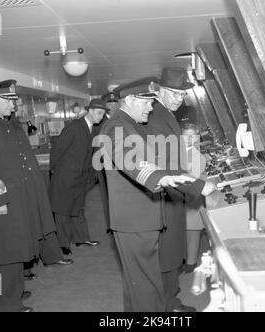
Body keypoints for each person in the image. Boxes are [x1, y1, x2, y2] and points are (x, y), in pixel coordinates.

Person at [96, 78, 207, 312]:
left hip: (143, 217)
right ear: (130, 100)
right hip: (134, 220)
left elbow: (156, 158)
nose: (150, 108)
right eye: (147, 102)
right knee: (146, 288)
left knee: (141, 286)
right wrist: (159, 178)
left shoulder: (133, 124)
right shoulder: (117, 126)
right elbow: (129, 156)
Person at [145, 67, 216, 312]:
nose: (179, 99)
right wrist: (199, 185)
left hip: (171, 194)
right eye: (173, 93)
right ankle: (168, 306)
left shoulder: (165, 114)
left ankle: (171, 300)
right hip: (164, 196)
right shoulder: (157, 118)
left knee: (172, 252)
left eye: (181, 94)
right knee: (167, 254)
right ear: (159, 90)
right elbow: (166, 163)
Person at [0, 80, 69, 312]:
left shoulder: (10, 125)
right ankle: (5, 302)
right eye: (8, 100)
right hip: (4, 203)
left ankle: (13, 291)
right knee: (5, 254)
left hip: (20, 200)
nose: (14, 104)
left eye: (14, 99)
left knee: (17, 250)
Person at [49, 99, 107, 255]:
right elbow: (58, 150)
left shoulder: (93, 129)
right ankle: (63, 244)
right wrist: (54, 170)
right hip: (66, 175)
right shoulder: (74, 127)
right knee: (63, 210)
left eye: (103, 114)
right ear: (90, 111)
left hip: (80, 177)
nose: (101, 117)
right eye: (99, 113)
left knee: (78, 208)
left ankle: (81, 238)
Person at [182, 123, 208, 273]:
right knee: (182, 231)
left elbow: (193, 179)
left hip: (192, 198)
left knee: (192, 231)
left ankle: (190, 263)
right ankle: (184, 259)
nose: (190, 138)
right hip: (179, 197)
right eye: (186, 135)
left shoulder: (198, 156)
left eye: (193, 136)